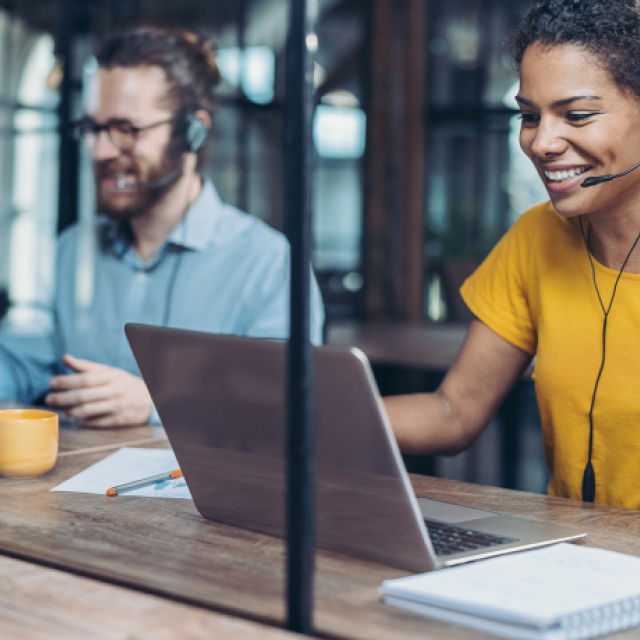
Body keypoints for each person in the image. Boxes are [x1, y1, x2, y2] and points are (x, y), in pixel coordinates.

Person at [384, 0, 640, 510]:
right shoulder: (537, 236)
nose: (541, 142)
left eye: (578, 115)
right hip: (571, 566)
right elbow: (453, 411)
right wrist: (296, 414)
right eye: (528, 116)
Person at [0, 26, 324, 427]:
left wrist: (156, 405)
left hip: (206, 490)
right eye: (93, 129)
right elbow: (22, 363)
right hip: (70, 487)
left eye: (126, 130)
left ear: (192, 131)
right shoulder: (71, 251)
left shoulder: (268, 264)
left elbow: (285, 411)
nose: (101, 151)